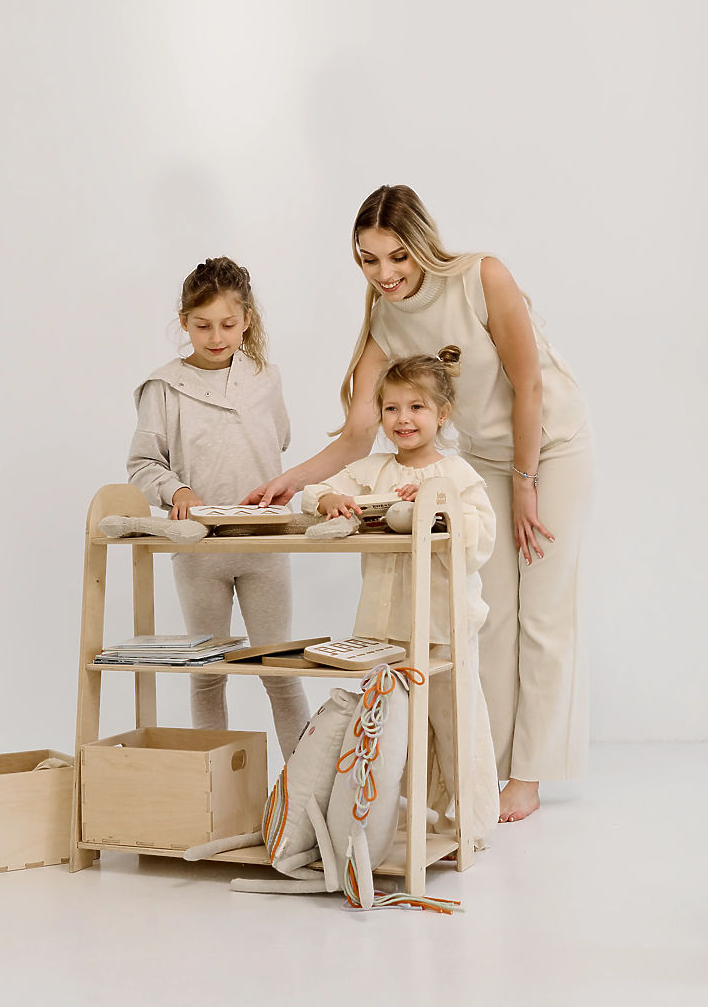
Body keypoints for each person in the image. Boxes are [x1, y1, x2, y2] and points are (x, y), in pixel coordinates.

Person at [246, 185, 593, 821]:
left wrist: (526, 483)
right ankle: (488, 766)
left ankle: (531, 774)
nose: (385, 273)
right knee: (488, 615)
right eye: (369, 259)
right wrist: (289, 481)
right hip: (481, 457)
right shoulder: (385, 319)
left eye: (397, 256)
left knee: (543, 612)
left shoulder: (482, 277)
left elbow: (529, 383)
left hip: (551, 446)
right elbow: (357, 435)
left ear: (422, 244)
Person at [302, 349, 499, 844]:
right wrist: (330, 499)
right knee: (389, 727)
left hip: (442, 626)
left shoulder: (456, 475)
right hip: (385, 630)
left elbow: (480, 538)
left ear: (442, 414)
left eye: (416, 407)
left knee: (454, 723)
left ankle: (471, 825)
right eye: (391, 408)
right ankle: (389, 823)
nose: (403, 419)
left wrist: (436, 503)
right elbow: (314, 492)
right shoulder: (373, 469)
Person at [127, 256, 310, 759]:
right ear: (184, 321)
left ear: (246, 319)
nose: (215, 336)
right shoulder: (163, 387)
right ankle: (215, 791)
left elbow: (280, 439)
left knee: (281, 671)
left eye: (228, 324)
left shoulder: (266, 378)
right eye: (202, 324)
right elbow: (142, 463)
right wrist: (177, 491)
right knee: (206, 673)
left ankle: (306, 787)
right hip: (199, 551)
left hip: (263, 546)